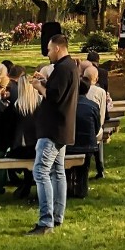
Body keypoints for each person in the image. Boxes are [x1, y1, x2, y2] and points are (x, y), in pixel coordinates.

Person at [24, 33, 79, 235]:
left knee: (40, 172)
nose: (47, 53)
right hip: (62, 128)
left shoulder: (63, 68)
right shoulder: (69, 67)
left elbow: (55, 98)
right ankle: (57, 217)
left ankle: (46, 221)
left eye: (48, 49)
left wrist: (39, 87)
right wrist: (46, 81)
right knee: (57, 172)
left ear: (57, 48)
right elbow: (60, 91)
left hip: (52, 130)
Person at [66, 76, 102, 198]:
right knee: (84, 168)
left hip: (69, 144)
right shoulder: (93, 106)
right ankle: (82, 190)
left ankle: (69, 188)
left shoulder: (67, 105)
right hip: (88, 144)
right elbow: (97, 126)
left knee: (68, 169)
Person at [9, 74, 42, 198]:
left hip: (22, 149)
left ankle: (26, 183)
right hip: (38, 147)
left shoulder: (17, 106)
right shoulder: (40, 103)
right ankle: (28, 183)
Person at [83, 64, 109, 178]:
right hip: (95, 128)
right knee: (98, 138)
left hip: (80, 129)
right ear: (97, 79)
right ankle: (100, 167)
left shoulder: (78, 89)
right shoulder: (100, 91)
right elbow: (102, 112)